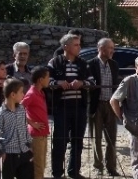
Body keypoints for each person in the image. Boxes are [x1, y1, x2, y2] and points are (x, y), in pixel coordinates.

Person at [47, 33, 95, 179]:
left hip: (79, 108)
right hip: (61, 108)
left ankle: (74, 172)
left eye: (79, 44)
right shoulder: (54, 62)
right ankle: (57, 173)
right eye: (76, 44)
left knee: (77, 141)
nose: (79, 47)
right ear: (66, 46)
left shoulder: (83, 63)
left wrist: (82, 83)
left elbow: (92, 82)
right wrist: (58, 84)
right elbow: (46, 82)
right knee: (59, 141)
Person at [87, 38, 121, 176]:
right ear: (101, 49)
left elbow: (116, 84)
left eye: (113, 48)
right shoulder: (90, 64)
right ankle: (98, 166)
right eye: (110, 48)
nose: (112, 51)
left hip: (111, 104)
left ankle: (111, 167)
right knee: (96, 138)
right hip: (96, 105)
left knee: (111, 137)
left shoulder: (114, 64)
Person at [0, 78, 34, 179]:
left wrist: (30, 146)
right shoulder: (0, 114)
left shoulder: (21, 110)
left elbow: (24, 128)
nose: (23, 95)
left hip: (24, 152)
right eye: (21, 92)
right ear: (13, 95)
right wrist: (0, 151)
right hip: (8, 155)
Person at [20, 66, 51, 179]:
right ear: (40, 80)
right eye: (47, 77)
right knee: (38, 165)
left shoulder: (40, 92)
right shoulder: (32, 93)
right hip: (36, 134)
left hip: (42, 133)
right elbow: (18, 109)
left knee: (41, 164)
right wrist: (31, 123)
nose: (49, 79)